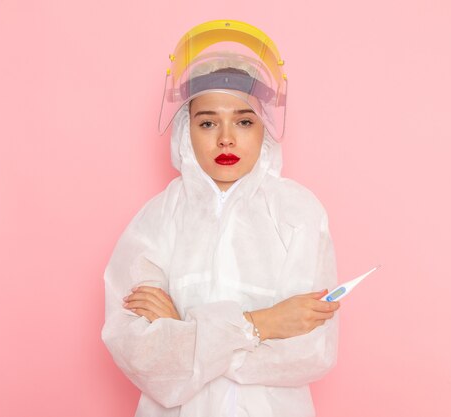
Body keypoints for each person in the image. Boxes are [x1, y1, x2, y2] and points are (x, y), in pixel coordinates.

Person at [101, 19, 340, 417]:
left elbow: (311, 351)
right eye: (208, 122)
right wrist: (261, 323)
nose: (226, 138)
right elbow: (139, 354)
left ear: (264, 127)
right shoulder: (156, 221)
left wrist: (186, 337)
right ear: (185, 128)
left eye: (244, 121)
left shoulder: (299, 213)